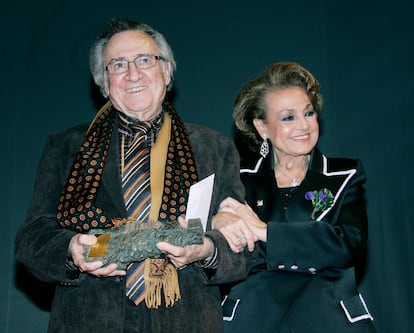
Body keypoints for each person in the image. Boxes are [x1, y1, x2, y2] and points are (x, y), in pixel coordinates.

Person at [15, 17, 245, 333]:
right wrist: (71, 250)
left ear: (166, 71)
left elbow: (243, 247)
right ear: (104, 81)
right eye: (118, 65)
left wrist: (207, 249)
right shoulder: (67, 147)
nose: (133, 74)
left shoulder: (214, 148)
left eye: (144, 61)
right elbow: (33, 239)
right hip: (89, 321)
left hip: (186, 320)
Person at [212, 62, 376, 332]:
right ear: (262, 127)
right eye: (288, 117)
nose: (304, 125)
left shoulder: (345, 174)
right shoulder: (238, 179)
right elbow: (232, 254)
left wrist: (265, 232)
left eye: (309, 113)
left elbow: (347, 246)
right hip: (253, 318)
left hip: (328, 319)